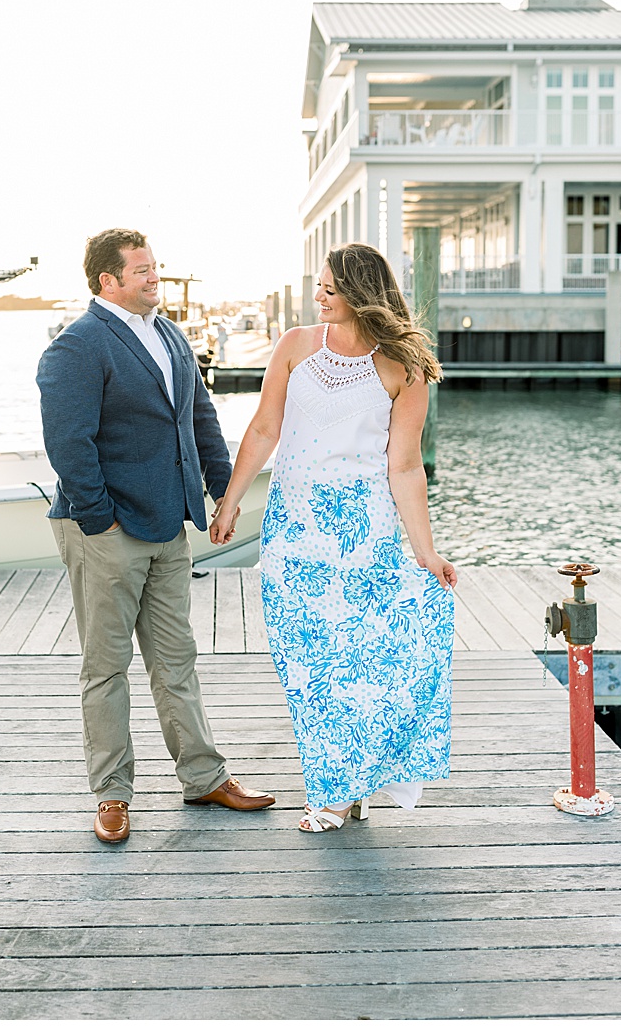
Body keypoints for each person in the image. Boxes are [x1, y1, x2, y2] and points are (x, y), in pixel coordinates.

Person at [37, 228, 275, 846]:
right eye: (141, 270)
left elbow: (199, 419)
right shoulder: (76, 346)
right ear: (107, 280)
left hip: (170, 525)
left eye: (155, 267)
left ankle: (204, 778)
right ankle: (112, 794)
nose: (154, 278)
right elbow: (68, 444)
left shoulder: (169, 335)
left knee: (176, 659)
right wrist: (101, 519)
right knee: (106, 667)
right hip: (106, 529)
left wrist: (223, 492)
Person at [209, 242, 456, 833]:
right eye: (318, 285)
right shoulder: (295, 345)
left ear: (361, 293)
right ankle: (347, 781)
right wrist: (231, 501)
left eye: (330, 288)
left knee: (355, 664)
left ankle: (337, 791)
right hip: (292, 532)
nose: (318, 296)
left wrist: (425, 551)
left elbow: (405, 466)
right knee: (306, 665)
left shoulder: (404, 367)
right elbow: (264, 429)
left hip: (363, 536)